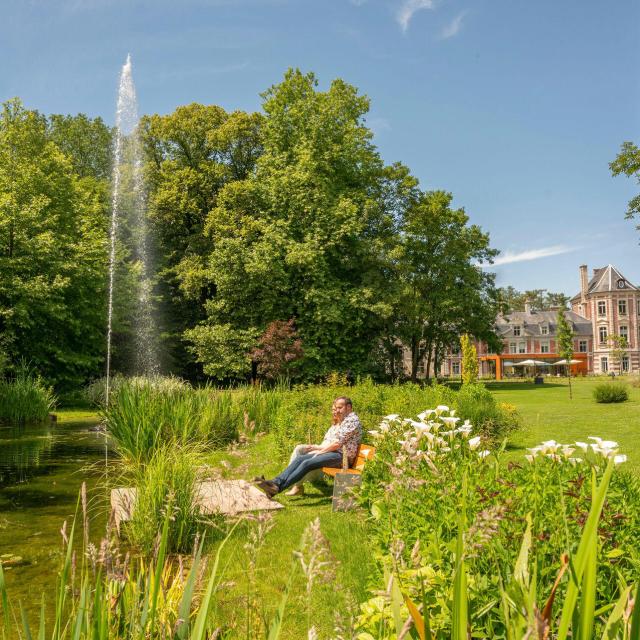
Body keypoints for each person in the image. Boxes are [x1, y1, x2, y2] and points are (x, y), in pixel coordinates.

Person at [254, 397, 362, 499]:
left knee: (307, 463)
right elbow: (335, 442)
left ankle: (276, 489)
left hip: (342, 457)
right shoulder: (345, 420)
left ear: (348, 407)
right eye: (336, 408)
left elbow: (338, 444)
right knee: (300, 458)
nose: (337, 410)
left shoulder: (352, 420)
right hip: (335, 453)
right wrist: (319, 450)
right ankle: (275, 482)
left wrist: (320, 452)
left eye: (340, 407)